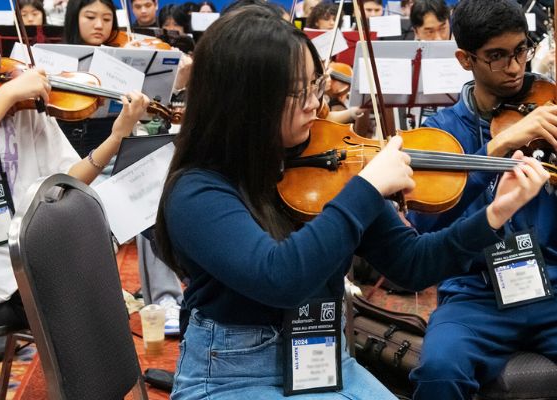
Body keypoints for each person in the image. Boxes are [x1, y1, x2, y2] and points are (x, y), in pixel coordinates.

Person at [154, 6, 548, 399]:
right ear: (244, 101)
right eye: (296, 92)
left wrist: (495, 214)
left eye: (315, 84)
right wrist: (366, 188)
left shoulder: (330, 166)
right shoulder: (197, 190)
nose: (315, 104)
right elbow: (280, 279)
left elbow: (413, 264)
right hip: (231, 375)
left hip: (326, 363)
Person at [0, 0, 149, 398]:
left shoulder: (22, 97)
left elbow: (63, 183)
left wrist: (115, 138)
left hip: (27, 258)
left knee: (96, 317)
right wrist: (5, 97)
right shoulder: (10, 93)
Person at [407, 1, 557, 399]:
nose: (515, 67)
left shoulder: (548, 108)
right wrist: (496, 148)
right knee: (439, 369)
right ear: (464, 59)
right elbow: (425, 228)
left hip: (552, 286)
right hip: (475, 294)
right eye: (497, 56)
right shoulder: (440, 132)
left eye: (522, 50)